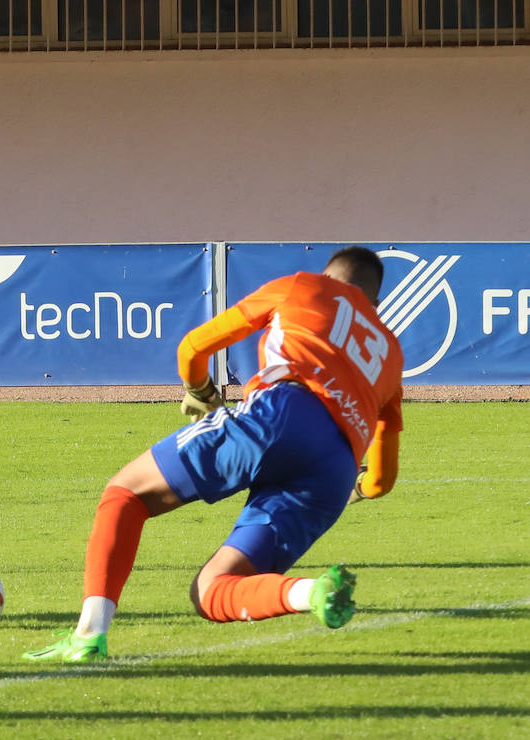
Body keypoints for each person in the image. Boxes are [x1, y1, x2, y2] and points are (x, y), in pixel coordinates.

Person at [23, 246, 404, 662]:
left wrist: (203, 393)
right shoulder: (390, 354)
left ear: (328, 275)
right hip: (335, 470)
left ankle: (89, 634)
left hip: (282, 414)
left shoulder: (304, 286)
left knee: (125, 494)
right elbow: (382, 480)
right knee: (211, 590)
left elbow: (192, 348)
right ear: (376, 302)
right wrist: (359, 489)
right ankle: (310, 591)